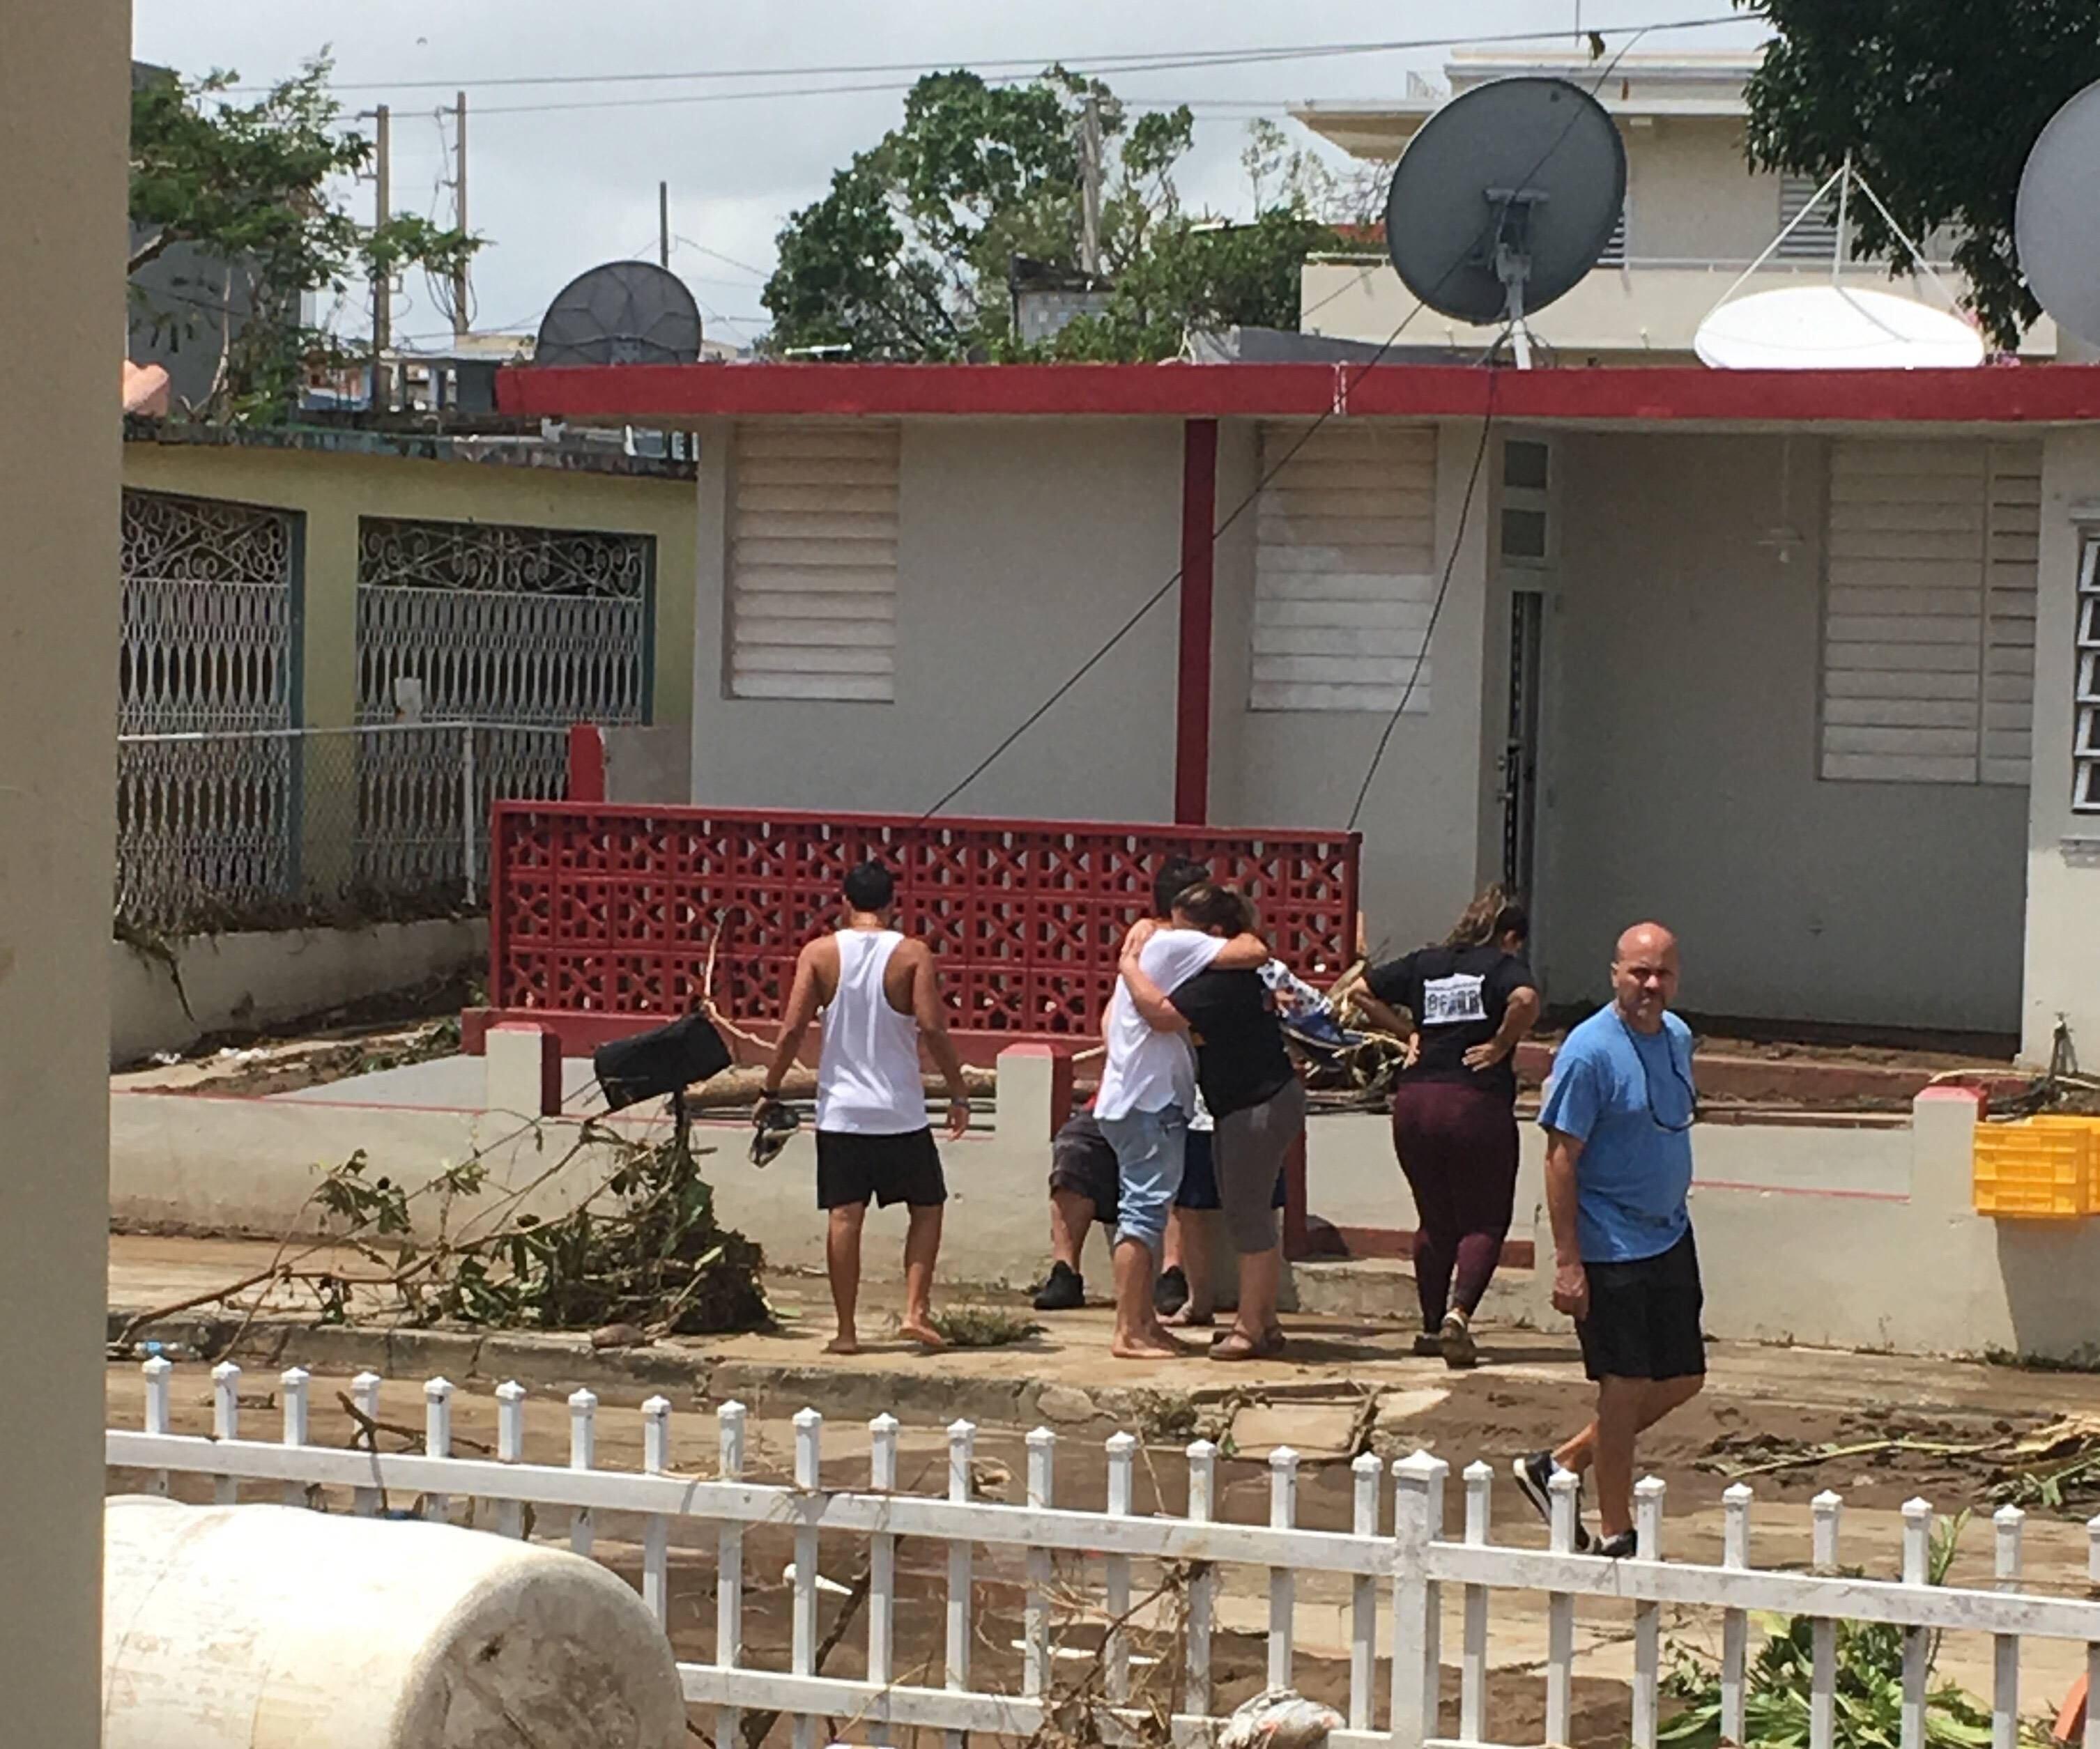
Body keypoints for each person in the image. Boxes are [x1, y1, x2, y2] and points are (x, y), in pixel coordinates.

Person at [1512, 922, 1701, 1558]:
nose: (1650, 985)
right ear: (1614, 973)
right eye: (1638, 972)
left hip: (1667, 1234)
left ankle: (1561, 1464)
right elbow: (1559, 1159)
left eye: (1662, 973)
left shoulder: (1677, 1038)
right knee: (1622, 1387)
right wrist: (1569, 1262)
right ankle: (1617, 1530)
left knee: (1682, 1377)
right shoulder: (1587, 1052)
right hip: (1608, 1243)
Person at [758, 861, 972, 1355]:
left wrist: (770, 1088)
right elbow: (933, 1028)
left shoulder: (818, 953)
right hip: (900, 1110)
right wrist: (958, 1091)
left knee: (844, 1216)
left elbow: (792, 1030)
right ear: (893, 903)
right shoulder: (912, 954)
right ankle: (915, 1311)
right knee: (927, 1207)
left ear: (844, 902)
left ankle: (846, 1331)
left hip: (841, 1111)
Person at [1351, 887, 1540, 1369]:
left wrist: (1408, 1032)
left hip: (1415, 1101)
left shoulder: (1426, 962)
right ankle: (1459, 1314)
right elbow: (1525, 999)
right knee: (1484, 1219)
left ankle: (1431, 1325)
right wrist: (1501, 1044)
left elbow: (1359, 991)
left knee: (1435, 1220)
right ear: (1510, 937)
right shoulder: (1500, 966)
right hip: (1473, 1103)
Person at [1119, 884, 1303, 1362]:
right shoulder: (1225, 971)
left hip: (1257, 1103)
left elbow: (1160, 1015)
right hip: (1245, 1103)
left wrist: (1129, 967)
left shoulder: (1218, 982)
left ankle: (1250, 1327)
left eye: (1184, 932)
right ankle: (1264, 1320)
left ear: (1213, 934)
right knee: (1247, 1208)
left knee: (1247, 1213)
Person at [1095, 858, 1269, 1359]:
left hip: (1134, 1096)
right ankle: (1129, 1330)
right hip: (1149, 1102)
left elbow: (1109, 1023)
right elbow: (1254, 949)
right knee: (1143, 1214)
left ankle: (1144, 1324)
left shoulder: (1150, 946)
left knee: (1145, 1210)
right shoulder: (1174, 943)